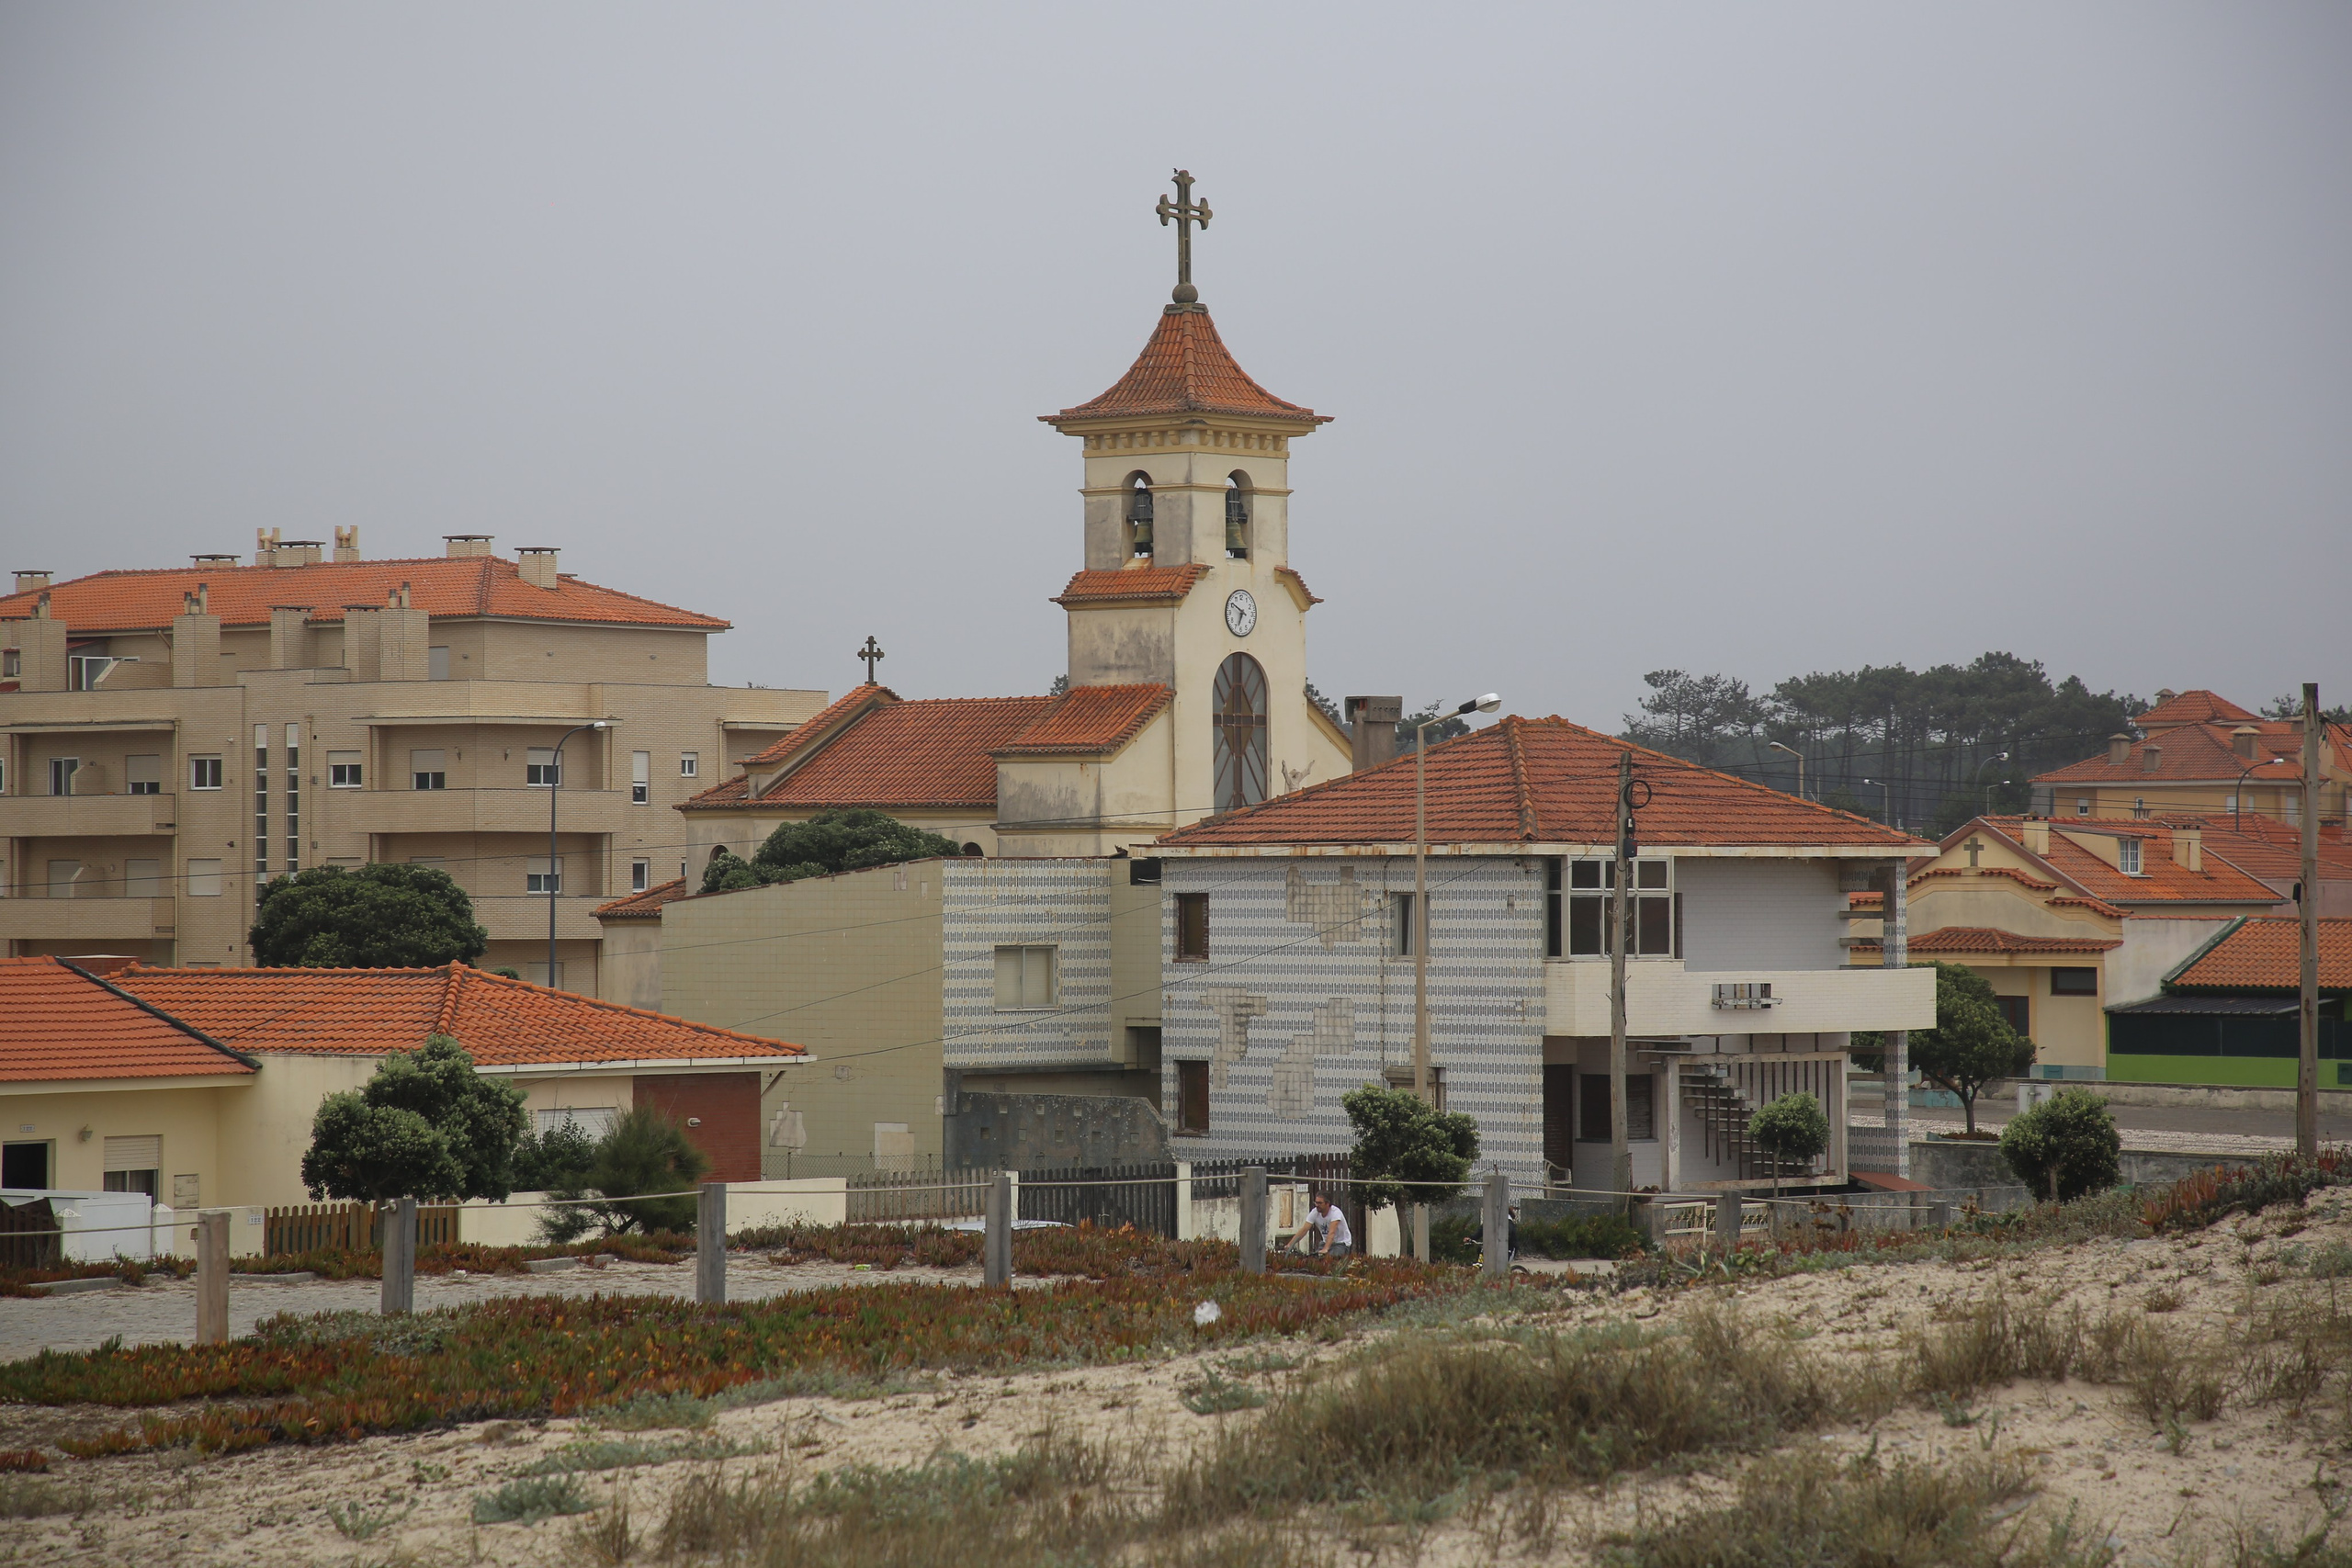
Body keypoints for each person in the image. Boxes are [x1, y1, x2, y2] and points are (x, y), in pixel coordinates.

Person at [1284, 1192, 1352, 1258]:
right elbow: (1304, 1230)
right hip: (1325, 1243)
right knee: (1314, 1259)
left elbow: (1332, 1232)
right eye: (1316, 1202)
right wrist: (1290, 1245)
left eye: (1320, 1203)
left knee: (1331, 1258)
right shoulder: (1315, 1212)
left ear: (1327, 1203)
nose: (1317, 1205)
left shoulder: (1336, 1213)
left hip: (1341, 1244)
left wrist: (1325, 1249)